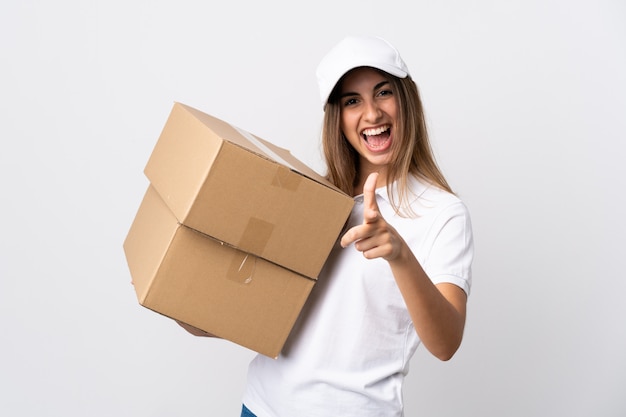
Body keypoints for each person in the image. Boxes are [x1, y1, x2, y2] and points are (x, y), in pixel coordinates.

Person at [185, 35, 474, 417]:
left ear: (407, 100)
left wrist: (399, 253)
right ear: (337, 118)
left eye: (383, 93)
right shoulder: (311, 201)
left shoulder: (442, 213)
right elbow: (260, 314)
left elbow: (446, 343)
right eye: (352, 101)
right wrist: (183, 305)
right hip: (261, 407)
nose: (371, 114)